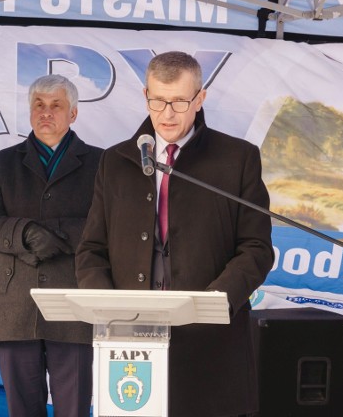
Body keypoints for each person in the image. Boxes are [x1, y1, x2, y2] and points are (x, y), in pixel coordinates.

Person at [76, 51, 274, 417]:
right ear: (145, 96)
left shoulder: (237, 158)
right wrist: (108, 308)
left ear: (200, 99)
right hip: (130, 343)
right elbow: (91, 249)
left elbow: (257, 247)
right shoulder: (117, 161)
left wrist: (213, 303)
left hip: (210, 341)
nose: (167, 113)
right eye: (158, 101)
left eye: (180, 102)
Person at [0, 75, 102, 417]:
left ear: (73, 114)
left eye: (56, 106)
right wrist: (27, 233)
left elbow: (107, 224)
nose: (46, 113)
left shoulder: (100, 163)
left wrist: (55, 234)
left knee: (74, 410)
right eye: (38, 106)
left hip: (75, 306)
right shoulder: (3, 162)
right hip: (16, 308)